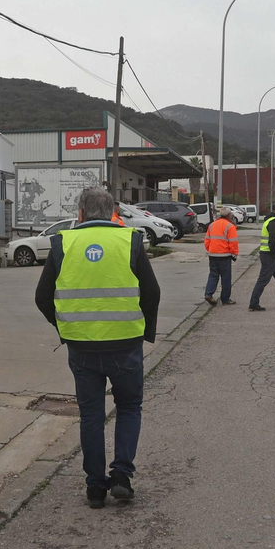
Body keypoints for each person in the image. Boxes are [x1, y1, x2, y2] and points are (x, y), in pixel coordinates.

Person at [34, 185, 161, 508]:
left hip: (81, 347)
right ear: (113, 214)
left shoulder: (62, 242)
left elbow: (41, 297)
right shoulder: (129, 240)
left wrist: (64, 328)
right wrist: (143, 330)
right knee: (129, 407)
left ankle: (94, 486)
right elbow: (152, 292)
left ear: (80, 214)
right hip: (125, 345)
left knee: (91, 416)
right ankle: (121, 475)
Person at [202, 206, 239, 305]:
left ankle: (208, 294)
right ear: (229, 215)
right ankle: (225, 299)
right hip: (225, 256)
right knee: (226, 278)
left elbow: (206, 240)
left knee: (213, 275)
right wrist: (234, 254)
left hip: (213, 255)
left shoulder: (212, 225)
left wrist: (210, 249)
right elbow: (233, 242)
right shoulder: (230, 226)